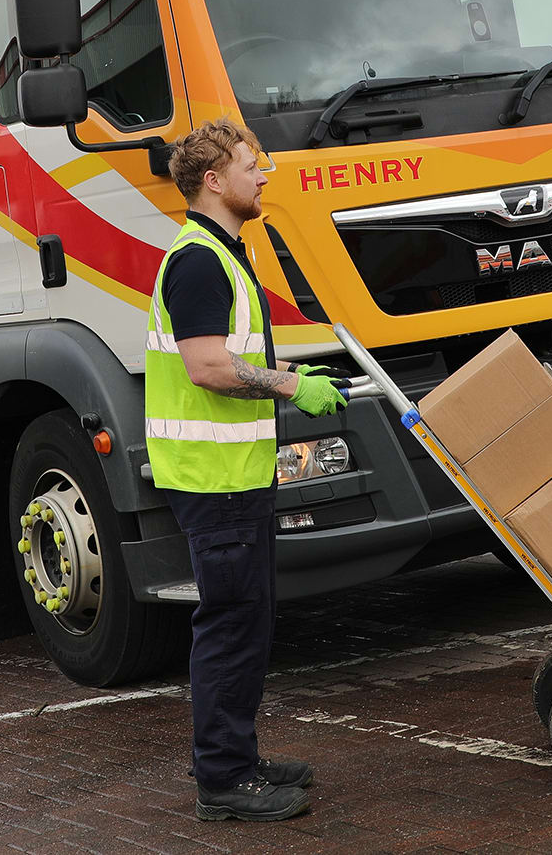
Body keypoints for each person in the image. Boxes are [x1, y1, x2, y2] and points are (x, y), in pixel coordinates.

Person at [145, 117, 348, 822]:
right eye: (250, 165)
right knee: (232, 627)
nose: (263, 175)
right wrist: (291, 387)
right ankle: (224, 781)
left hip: (233, 474)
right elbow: (206, 368)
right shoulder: (200, 260)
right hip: (214, 479)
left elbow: (233, 356)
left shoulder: (224, 254)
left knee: (248, 623)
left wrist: (296, 373)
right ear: (213, 180)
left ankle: (237, 758)